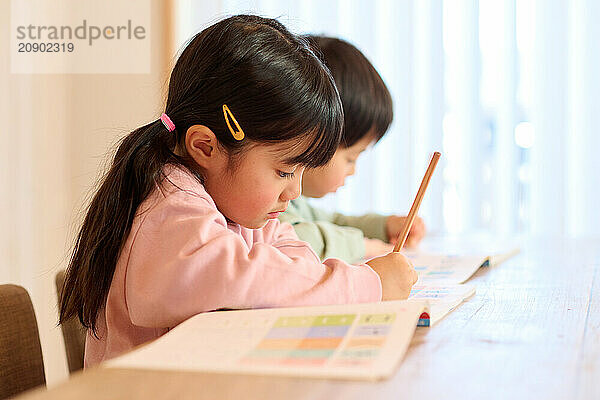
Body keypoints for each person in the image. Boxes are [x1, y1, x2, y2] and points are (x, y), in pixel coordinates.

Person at [58, 15, 417, 367]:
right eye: (283, 171)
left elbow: (290, 258)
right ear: (206, 147)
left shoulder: (236, 205)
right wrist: (367, 285)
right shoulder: (171, 208)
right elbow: (251, 279)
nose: (294, 191)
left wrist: (312, 279)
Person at [279, 36, 426, 264]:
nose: (353, 171)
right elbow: (296, 240)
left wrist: (383, 227)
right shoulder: (268, 202)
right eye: (351, 157)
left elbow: (331, 223)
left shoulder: (294, 203)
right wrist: (362, 246)